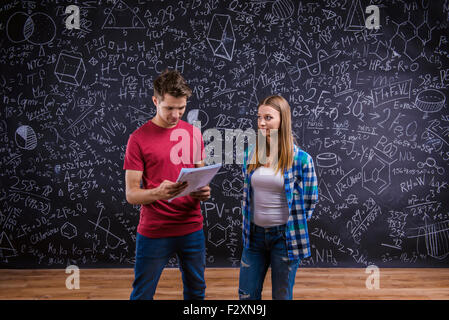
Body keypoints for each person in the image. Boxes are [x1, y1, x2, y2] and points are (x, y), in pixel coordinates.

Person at [123, 69, 211, 300]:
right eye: (169, 108)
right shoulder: (138, 139)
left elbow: (200, 176)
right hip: (154, 231)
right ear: (155, 100)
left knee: (196, 292)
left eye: (181, 108)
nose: (176, 114)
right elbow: (132, 195)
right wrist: (157, 193)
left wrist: (203, 191)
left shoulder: (193, 134)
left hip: (192, 228)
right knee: (142, 294)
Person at [238, 95, 319, 300]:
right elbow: (249, 196)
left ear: (283, 120)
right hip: (254, 236)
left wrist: (293, 223)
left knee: (281, 296)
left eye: (268, 117)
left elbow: (310, 199)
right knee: (246, 296)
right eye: (259, 117)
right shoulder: (250, 155)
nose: (261, 122)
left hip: (284, 238)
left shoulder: (301, 160)